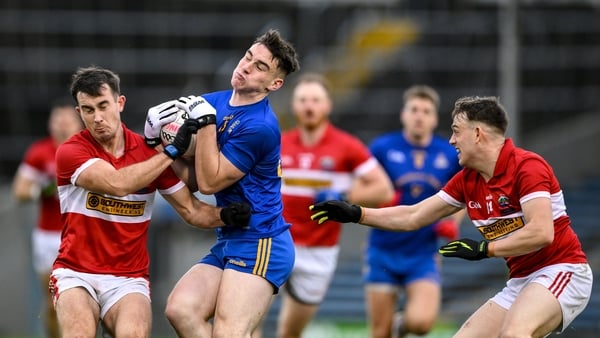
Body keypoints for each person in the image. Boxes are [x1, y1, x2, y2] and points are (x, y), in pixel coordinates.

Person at [309, 95, 593, 338]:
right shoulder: (466, 180)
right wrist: (357, 213)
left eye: (457, 131)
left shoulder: (527, 167)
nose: (451, 139)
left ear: (478, 134)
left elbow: (542, 233)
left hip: (562, 270)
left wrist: (485, 249)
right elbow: (414, 215)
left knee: (513, 333)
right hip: (522, 281)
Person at [50, 65, 251, 338]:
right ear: (79, 112)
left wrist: (226, 215)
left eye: (103, 105)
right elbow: (118, 184)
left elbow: (191, 211)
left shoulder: (150, 155)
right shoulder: (71, 151)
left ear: (120, 103)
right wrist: (170, 152)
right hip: (76, 273)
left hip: (128, 279)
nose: (97, 117)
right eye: (88, 110)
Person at [145, 29, 300, 338]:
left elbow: (210, 182)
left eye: (260, 67)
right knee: (181, 310)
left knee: (228, 332)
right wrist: (157, 142)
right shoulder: (212, 102)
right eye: (248, 57)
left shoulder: (261, 126)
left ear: (275, 84)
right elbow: (190, 179)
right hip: (231, 237)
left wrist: (203, 126)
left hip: (261, 240)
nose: (245, 66)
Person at [273, 73, 394, 338]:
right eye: (303, 100)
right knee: (245, 321)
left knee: (289, 332)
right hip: (275, 241)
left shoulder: (347, 146)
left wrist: (343, 192)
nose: (309, 106)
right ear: (294, 105)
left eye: (316, 100)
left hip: (318, 251)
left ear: (327, 105)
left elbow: (383, 189)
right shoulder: (276, 142)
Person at [364, 85, 464, 338]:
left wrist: (453, 221)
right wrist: (381, 198)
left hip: (423, 251)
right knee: (379, 332)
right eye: (414, 110)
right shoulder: (382, 148)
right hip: (383, 249)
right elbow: (362, 187)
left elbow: (463, 194)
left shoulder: (449, 153)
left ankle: (402, 326)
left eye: (426, 111)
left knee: (421, 324)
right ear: (403, 114)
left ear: (434, 118)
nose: (419, 115)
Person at [12, 98, 83, 338]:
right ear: (50, 123)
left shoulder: (88, 151)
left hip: (82, 235)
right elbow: (20, 190)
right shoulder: (39, 152)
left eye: (68, 120)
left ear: (78, 123)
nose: (62, 125)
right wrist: (42, 190)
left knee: (83, 303)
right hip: (49, 236)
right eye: (58, 120)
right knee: (54, 302)